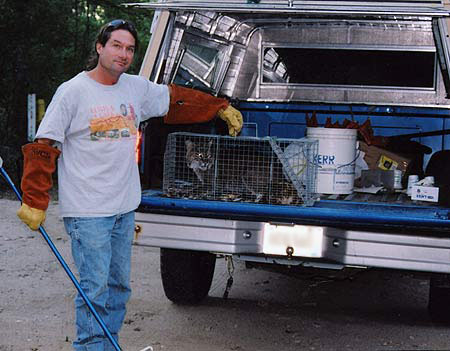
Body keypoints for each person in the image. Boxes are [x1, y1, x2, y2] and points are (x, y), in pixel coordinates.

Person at [16, 19, 243, 351]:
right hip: (88, 211)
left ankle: (108, 345)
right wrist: (35, 199)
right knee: (95, 290)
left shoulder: (135, 88)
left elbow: (176, 100)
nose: (123, 54)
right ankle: (92, 347)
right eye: (116, 46)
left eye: (129, 49)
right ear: (99, 47)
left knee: (118, 287)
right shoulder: (73, 91)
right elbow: (44, 145)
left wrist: (218, 107)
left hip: (123, 208)